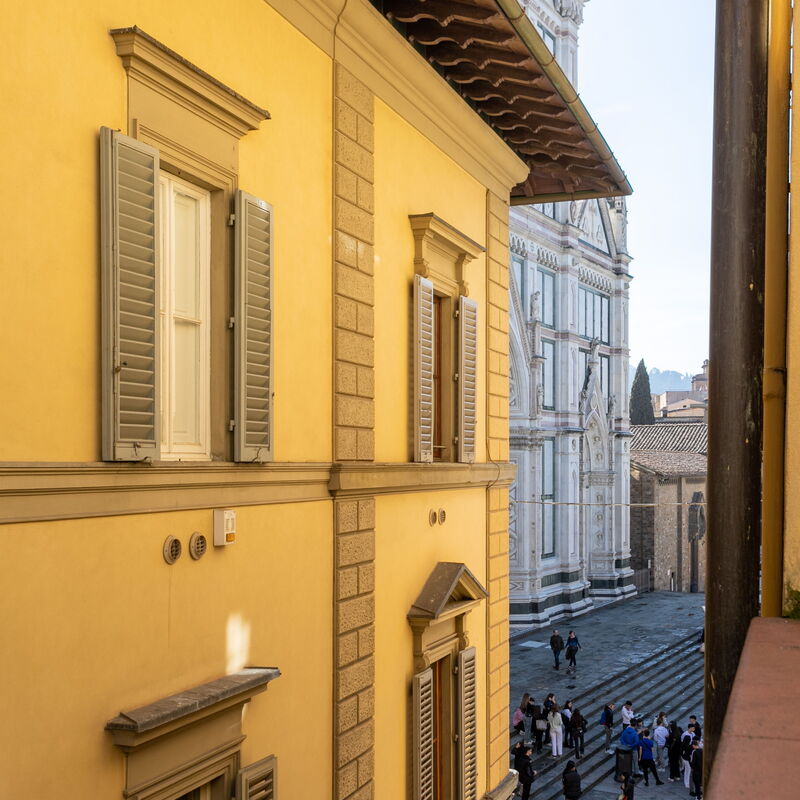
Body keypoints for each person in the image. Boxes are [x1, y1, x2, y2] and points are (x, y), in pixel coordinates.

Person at [680, 724, 696, 789]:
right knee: (687, 769)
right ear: (689, 728)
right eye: (693, 728)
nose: (694, 729)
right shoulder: (685, 735)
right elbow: (682, 743)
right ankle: (686, 782)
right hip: (686, 755)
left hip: (688, 754)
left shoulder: (693, 734)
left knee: (687, 769)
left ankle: (687, 781)